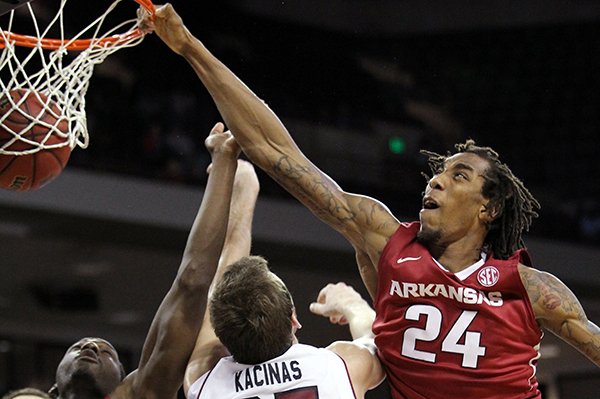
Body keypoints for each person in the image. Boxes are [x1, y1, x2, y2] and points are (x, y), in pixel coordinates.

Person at [142, 5, 600, 399]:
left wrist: (359, 311)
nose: (437, 181)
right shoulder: (386, 242)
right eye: (438, 172)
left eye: (458, 176)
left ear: (489, 208)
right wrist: (188, 46)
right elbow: (278, 155)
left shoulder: (531, 288)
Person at [47, 122, 243, 399]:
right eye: (78, 347)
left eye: (107, 353)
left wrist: (223, 162)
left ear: (123, 382)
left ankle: (244, 191)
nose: (91, 347)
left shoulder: (141, 394)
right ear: (52, 393)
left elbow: (193, 280)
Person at [178, 151, 383, 398]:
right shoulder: (338, 367)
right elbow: (377, 342)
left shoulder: (203, 385)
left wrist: (242, 190)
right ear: (293, 319)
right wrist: (352, 304)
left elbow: (219, 279)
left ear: (220, 335)